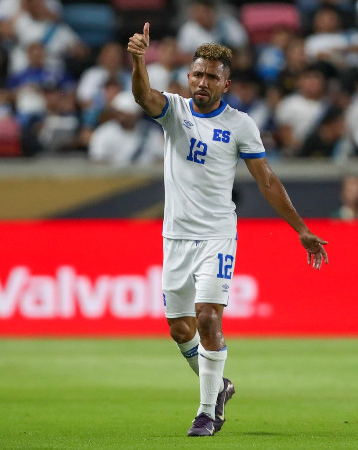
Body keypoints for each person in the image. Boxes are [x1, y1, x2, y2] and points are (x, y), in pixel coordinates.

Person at [127, 23, 329, 437]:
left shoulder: (240, 125)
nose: (202, 82)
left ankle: (207, 412)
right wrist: (138, 60)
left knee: (206, 318)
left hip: (217, 235)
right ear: (189, 76)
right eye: (197, 74)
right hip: (175, 237)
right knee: (179, 328)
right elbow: (142, 96)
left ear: (226, 83)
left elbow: (267, 181)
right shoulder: (174, 110)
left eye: (212, 76)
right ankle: (220, 385)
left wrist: (301, 229)